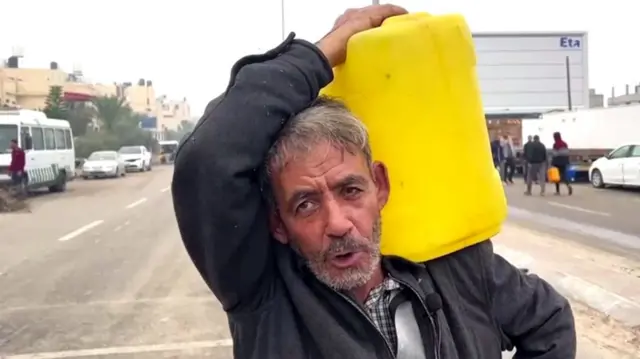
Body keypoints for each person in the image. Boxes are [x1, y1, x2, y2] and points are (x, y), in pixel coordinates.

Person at [172, 5, 576, 359]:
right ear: (278, 223)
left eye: (350, 191)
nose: (337, 224)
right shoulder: (266, 297)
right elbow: (208, 158)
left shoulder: (460, 268)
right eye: (306, 204)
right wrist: (330, 48)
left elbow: (551, 324)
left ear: (379, 186)